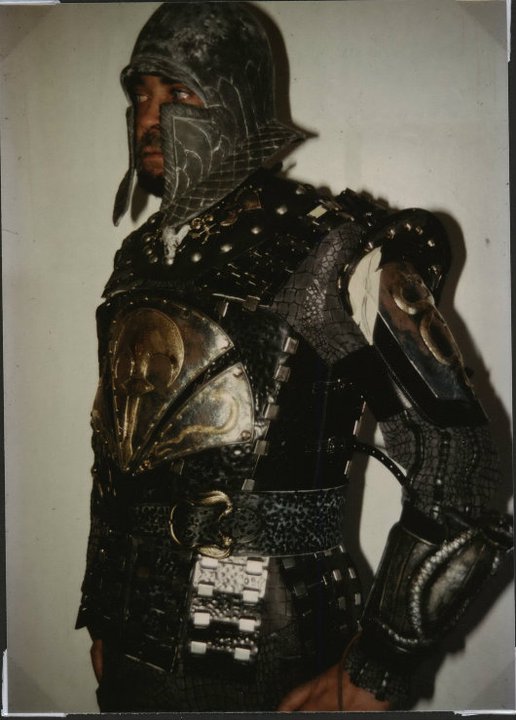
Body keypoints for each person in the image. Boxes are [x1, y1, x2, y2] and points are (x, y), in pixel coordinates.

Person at [76, 2, 512, 712]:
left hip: (269, 638)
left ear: (239, 101)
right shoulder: (139, 259)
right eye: (141, 95)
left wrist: (379, 665)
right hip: (130, 639)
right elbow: (117, 458)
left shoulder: (324, 247)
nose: (149, 116)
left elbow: (456, 463)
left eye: (177, 91)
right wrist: (104, 609)